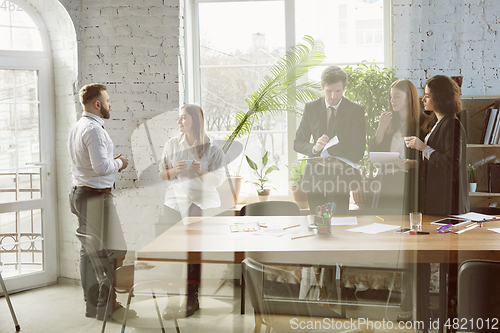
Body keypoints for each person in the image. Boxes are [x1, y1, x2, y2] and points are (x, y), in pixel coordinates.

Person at [406, 75, 469, 327]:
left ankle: (449, 319)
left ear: (440, 98)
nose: (424, 98)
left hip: (447, 207)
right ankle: (439, 318)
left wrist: (423, 149)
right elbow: (437, 162)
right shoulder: (438, 123)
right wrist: (416, 160)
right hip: (436, 203)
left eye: (428, 95)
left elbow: (452, 163)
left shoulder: (452, 124)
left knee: (447, 267)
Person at [68, 83, 132, 320]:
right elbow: (100, 168)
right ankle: (108, 307)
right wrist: (120, 163)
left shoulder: (78, 126)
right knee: (112, 251)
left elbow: (88, 164)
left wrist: (109, 161)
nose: (109, 103)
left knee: (90, 252)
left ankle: (94, 306)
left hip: (80, 195)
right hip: (95, 198)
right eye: (107, 100)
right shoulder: (94, 130)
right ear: (97, 104)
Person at [159, 104, 225, 318]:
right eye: (178, 118)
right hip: (175, 203)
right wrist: (175, 170)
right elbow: (162, 175)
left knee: (192, 252)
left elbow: (219, 181)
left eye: (183, 118)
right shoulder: (171, 144)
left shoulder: (212, 147)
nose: (179, 122)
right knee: (172, 252)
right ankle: (172, 299)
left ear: (195, 121)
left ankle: (192, 297)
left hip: (201, 204)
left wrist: (202, 171)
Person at [294, 65, 366, 216]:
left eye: (338, 91)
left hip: (341, 178)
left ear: (344, 88)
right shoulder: (311, 108)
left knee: (340, 229)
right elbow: (298, 143)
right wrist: (315, 148)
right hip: (314, 179)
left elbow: (359, 150)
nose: (333, 96)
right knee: (318, 225)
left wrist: (338, 161)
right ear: (322, 87)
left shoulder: (356, 111)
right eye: (329, 91)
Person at [371, 79, 427, 214]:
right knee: (385, 225)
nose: (392, 101)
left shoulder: (424, 123)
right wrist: (380, 129)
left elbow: (429, 158)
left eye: (397, 96)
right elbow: (374, 154)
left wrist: (412, 164)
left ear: (409, 98)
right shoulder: (389, 122)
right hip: (386, 182)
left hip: (410, 183)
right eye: (391, 97)